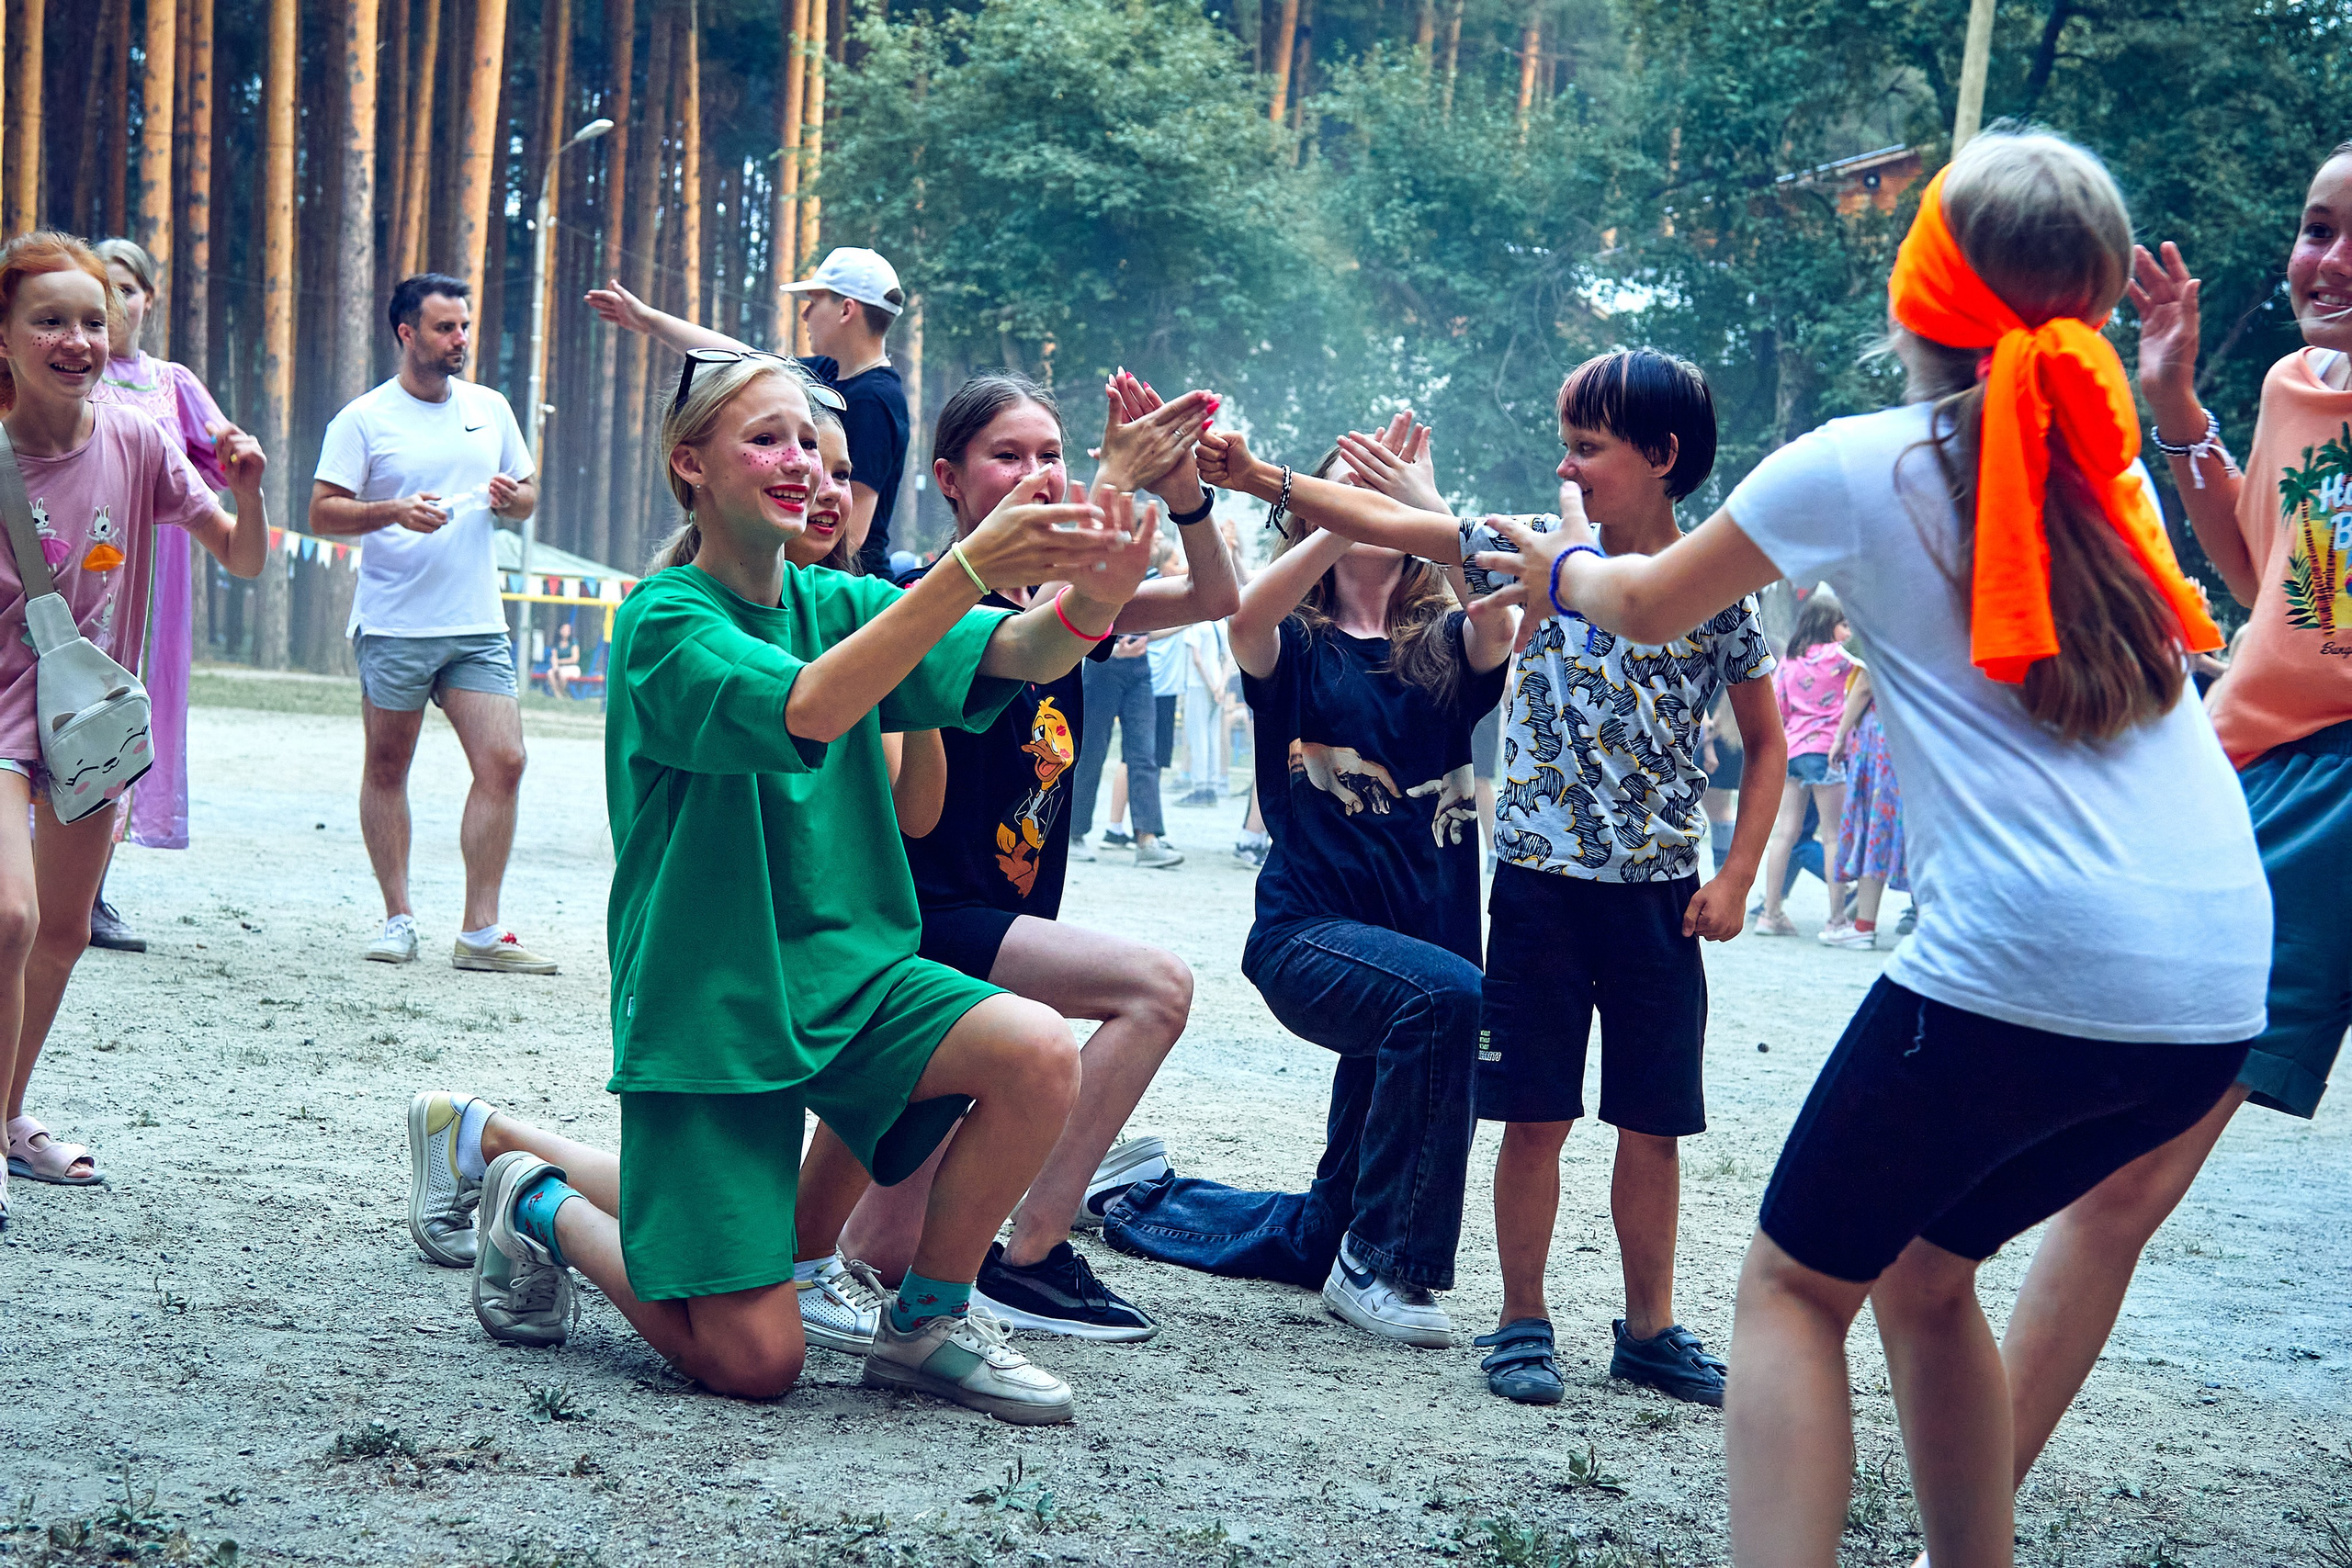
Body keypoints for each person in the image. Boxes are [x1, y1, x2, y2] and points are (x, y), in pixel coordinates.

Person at [1476, 129, 2267, 1567]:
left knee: (1789, 1287)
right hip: (2216, 987)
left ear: (1922, 295)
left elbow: (1646, 601)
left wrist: (1547, 566)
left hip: (2028, 961)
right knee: (1924, 1263)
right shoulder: (2110, 471)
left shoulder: (1864, 461)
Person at [416, 353, 1159, 1419]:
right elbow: (809, 707)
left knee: (1036, 1047)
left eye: (808, 442)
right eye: (765, 438)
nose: (799, 460)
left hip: (853, 979)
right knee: (756, 1362)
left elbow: (1027, 647)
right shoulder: (664, 623)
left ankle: (926, 1326)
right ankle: (536, 1202)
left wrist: (1101, 572)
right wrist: (965, 568)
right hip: (712, 1008)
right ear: (691, 467)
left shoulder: (840, 598)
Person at [1940, 137, 2352, 1538]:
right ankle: (1968, 1512)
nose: (2330, 261)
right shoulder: (2301, 388)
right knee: (2121, 1174)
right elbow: (2282, 589)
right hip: (2266, 778)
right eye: (2315, 228)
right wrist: (2178, 408)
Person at [1259, 354, 1786, 1407]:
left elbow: (1766, 743)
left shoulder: (1714, 593)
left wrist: (1734, 877)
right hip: (1540, 892)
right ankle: (1521, 1320)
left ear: (1661, 457)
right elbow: (1410, 530)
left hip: (1658, 899)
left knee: (1653, 1123)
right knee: (1532, 1116)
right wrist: (1257, 479)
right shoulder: (1531, 562)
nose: (1566, 464)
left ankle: (1649, 1329)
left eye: (1587, 446)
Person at [792, 369, 1235, 1342]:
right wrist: (1119, 480)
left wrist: (1186, 491)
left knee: (871, 1252)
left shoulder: (1069, 601)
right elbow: (1024, 654)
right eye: (1007, 456)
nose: (1035, 473)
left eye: (1052, 456)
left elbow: (1215, 593)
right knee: (1153, 987)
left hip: (997, 932)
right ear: (949, 479)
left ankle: (514, 1160)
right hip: (929, 927)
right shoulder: (914, 600)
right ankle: (1029, 1255)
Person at [1107, 426, 1514, 1348]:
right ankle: (1384, 1266)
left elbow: (1501, 617)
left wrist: (1425, 501)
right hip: (1309, 935)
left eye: (1381, 497)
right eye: (1344, 493)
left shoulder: (1448, 639)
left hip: (1422, 949)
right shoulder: (1291, 641)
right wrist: (1336, 514)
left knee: (1316, 1226)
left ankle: (1135, 1194)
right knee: (1448, 997)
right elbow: (1242, 621)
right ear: (1310, 512)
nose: (1368, 508)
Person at [0, 232, 268, 1211]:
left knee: (63, 932)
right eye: (50, 320)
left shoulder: (138, 437)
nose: (78, 338)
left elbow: (239, 558)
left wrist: (247, 491)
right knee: (10, 916)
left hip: (87, 724)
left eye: (91, 319)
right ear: (5, 335)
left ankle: (7, 1116)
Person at [310, 273, 554, 975]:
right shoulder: (363, 419)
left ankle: (480, 931)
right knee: (387, 768)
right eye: (447, 328)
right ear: (406, 332)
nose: (461, 341)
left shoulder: (491, 407)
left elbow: (529, 495)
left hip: (477, 623)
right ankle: (398, 918)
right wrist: (391, 510)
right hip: (393, 624)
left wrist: (514, 500)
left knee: (505, 761)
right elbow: (323, 511)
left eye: (466, 327)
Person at [78, 237, 231, 954]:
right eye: (103, 288)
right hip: (69, 565)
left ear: (149, 297)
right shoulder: (66, 369)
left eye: (129, 288)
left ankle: (91, 893)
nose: (118, 302)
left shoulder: (173, 382)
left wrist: (234, 448)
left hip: (153, 579)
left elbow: (217, 463)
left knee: (127, 717)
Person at [587, 246, 910, 575]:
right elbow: (741, 359)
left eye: (813, 301)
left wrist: (793, 591)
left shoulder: (875, 400)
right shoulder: (828, 373)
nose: (805, 314)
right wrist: (650, 321)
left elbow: (851, 533)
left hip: (838, 585)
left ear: (846, 310)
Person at [1069, 516, 1185, 868]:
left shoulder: (1153, 581)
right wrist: (1112, 648)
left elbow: (1146, 631)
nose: (1161, 538)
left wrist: (1187, 621)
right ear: (1136, 536)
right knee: (1090, 752)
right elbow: (1085, 618)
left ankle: (1147, 840)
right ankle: (1072, 834)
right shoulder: (1110, 572)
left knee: (1144, 755)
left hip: (1139, 674)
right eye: (1156, 532)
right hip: (1103, 670)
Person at [1755, 592, 1851, 937]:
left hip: (1792, 750)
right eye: (1844, 623)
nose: (1848, 631)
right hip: (1827, 752)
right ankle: (1837, 919)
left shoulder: (1790, 661)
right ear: (1830, 624)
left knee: (1786, 832)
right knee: (1832, 836)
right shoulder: (1842, 659)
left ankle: (1770, 913)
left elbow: (1778, 706)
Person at [1824, 656, 1906, 950]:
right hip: (1914, 733)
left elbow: (1864, 685)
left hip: (1880, 737)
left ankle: (1863, 925)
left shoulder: (1885, 624)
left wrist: (1840, 736)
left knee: (1873, 825)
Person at [1180, 616, 1230, 804]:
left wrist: (1210, 685)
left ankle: (1200, 786)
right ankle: (1212, 785)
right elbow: (1227, 659)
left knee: (1198, 735)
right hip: (1218, 684)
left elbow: (1197, 659)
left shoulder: (1196, 624)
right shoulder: (1221, 625)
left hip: (1198, 684)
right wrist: (1221, 687)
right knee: (1212, 735)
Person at [544, 620, 582, 697]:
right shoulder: (556, 644)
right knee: (550, 673)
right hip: (559, 667)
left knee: (562, 674)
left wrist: (559, 662)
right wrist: (555, 667)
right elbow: (554, 657)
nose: (565, 632)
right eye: (563, 629)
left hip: (572, 668)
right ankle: (557, 694)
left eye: (568, 630)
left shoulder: (573, 643)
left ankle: (561, 693)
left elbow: (574, 659)